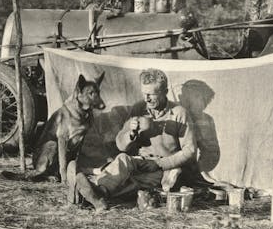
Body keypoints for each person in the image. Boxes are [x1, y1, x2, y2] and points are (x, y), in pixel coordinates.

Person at [73, 68, 198, 210]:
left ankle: (95, 193)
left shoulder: (179, 114)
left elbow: (190, 150)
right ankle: (97, 193)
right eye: (144, 94)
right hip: (140, 161)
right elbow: (121, 144)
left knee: (135, 182)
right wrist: (131, 134)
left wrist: (160, 164)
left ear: (165, 92)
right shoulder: (139, 108)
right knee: (122, 159)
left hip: (164, 168)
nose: (146, 99)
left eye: (151, 94)